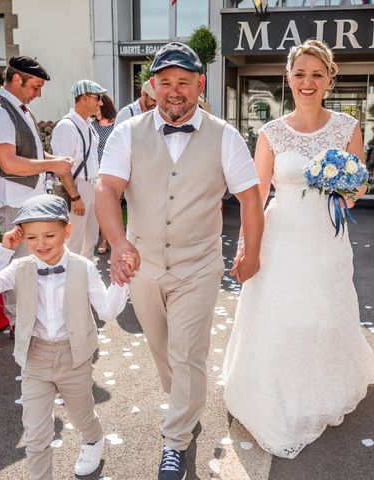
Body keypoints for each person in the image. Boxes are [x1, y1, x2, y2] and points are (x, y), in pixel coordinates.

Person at [95, 42, 264, 479]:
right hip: (143, 265)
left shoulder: (224, 135)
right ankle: (184, 407)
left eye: (183, 82)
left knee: (187, 352)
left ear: (199, 85)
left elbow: (250, 198)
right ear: (152, 87)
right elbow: (106, 189)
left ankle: (175, 441)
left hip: (198, 265)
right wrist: (117, 242)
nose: (174, 91)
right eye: (165, 82)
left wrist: (251, 251)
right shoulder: (127, 132)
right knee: (162, 350)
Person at [222, 39, 374, 459]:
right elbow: (255, 194)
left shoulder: (348, 126)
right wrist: (245, 247)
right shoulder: (271, 133)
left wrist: (346, 190)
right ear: (288, 78)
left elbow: (360, 183)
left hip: (326, 238)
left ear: (330, 78)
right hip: (281, 236)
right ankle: (275, 391)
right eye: (299, 74)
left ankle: (321, 386)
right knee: (279, 311)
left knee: (324, 308)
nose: (307, 82)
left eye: (316, 74)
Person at [0, 194, 133, 479]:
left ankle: (94, 440)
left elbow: (107, 311)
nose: (40, 244)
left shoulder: (84, 267)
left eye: (49, 235)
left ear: (67, 231)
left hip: (75, 358)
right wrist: (3, 250)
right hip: (35, 359)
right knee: (35, 434)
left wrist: (121, 283)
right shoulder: (20, 267)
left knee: (82, 415)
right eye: (31, 238)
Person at [0, 56, 74, 336]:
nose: (39, 93)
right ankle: (18, 324)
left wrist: (54, 160)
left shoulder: (19, 110)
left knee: (32, 262)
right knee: (18, 264)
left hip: (28, 200)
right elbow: (9, 163)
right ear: (17, 79)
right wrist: (52, 165)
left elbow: (30, 155)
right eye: (35, 86)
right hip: (13, 201)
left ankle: (32, 320)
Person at [51, 80, 105, 260]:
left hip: (91, 186)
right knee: (74, 241)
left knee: (90, 239)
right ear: (84, 98)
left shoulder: (87, 124)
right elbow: (62, 168)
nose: (101, 103)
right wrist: (75, 196)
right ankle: (70, 283)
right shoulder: (66, 126)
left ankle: (86, 280)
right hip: (77, 188)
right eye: (97, 98)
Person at [91, 93, 118, 255]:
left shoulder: (117, 125)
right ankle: (105, 239)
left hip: (114, 170)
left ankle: (116, 237)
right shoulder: (92, 125)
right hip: (97, 171)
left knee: (113, 206)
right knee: (101, 206)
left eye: (98, 107)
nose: (95, 110)